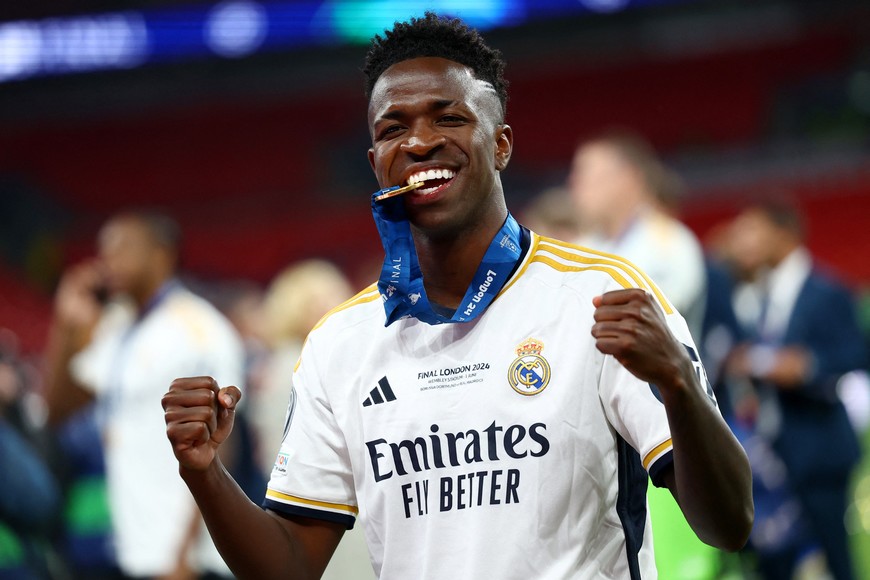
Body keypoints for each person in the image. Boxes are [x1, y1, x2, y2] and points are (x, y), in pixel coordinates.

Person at [162, 13, 753, 579]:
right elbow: (290, 564)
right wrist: (206, 473)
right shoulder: (338, 343)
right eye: (394, 128)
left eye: (448, 119)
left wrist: (677, 385)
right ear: (376, 163)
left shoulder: (598, 294)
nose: (419, 142)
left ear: (501, 143)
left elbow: (728, 523)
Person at [45, 210, 245, 579]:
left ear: (160, 254)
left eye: (121, 248)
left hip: (184, 559)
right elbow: (56, 411)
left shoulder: (198, 327)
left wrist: (184, 555)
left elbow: (221, 444)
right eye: (103, 251)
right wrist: (66, 325)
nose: (107, 262)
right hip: (133, 550)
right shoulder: (119, 329)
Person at [723, 202, 866, 580]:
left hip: (818, 447)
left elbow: (855, 353)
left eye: (753, 230)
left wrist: (808, 367)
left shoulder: (827, 289)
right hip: (768, 451)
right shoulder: (756, 293)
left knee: (835, 558)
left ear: (783, 234)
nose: (742, 242)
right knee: (774, 562)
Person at [567, 131, 706, 337]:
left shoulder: (669, 242)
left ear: (628, 179)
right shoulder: (579, 246)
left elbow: (653, 323)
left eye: (587, 175)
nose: (574, 184)